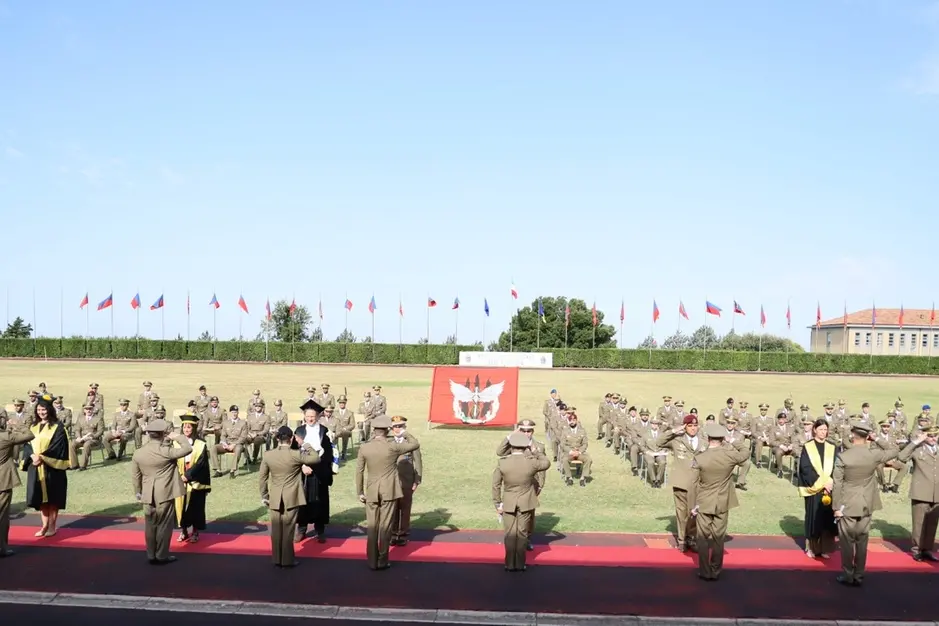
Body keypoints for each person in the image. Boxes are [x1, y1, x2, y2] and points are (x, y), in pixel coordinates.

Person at [831, 420, 899, 586]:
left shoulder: (843, 457)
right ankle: (859, 574)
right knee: (862, 541)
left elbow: (837, 484)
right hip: (867, 502)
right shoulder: (873, 455)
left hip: (847, 503)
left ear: (852, 435)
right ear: (867, 436)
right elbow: (894, 450)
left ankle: (848, 574)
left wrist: (836, 507)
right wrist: (877, 439)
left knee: (847, 542)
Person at [355, 414, 421, 570]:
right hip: (389, 491)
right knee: (385, 527)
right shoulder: (393, 447)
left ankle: (372, 561)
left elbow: (359, 471)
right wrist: (403, 432)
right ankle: (383, 560)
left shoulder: (364, 447)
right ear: (387, 430)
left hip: (372, 491)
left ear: (374, 430)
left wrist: (360, 492)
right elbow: (415, 444)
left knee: (372, 527)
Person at [691, 422, 750, 581]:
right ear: (722, 439)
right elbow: (745, 452)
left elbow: (694, 483)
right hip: (722, 501)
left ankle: (705, 570)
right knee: (718, 537)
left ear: (708, 438)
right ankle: (715, 570)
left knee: (702, 538)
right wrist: (733, 440)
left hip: (704, 502)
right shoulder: (729, 455)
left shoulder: (700, 458)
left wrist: (694, 505)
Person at [131, 419, 192, 565]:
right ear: (162, 434)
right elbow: (187, 449)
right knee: (164, 525)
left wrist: (138, 492)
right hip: (164, 492)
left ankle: (151, 554)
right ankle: (161, 555)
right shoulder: (165, 451)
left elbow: (135, 476)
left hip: (147, 493)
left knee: (150, 525)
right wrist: (178, 437)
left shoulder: (138, 453)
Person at [260, 425, 322, 568]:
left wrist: (264, 495)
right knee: (288, 529)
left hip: (275, 496)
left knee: (276, 529)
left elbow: (262, 478)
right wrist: (304, 443)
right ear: (291, 438)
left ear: (277, 439)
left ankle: (277, 558)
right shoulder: (295, 454)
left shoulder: (268, 455)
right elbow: (315, 458)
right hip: (291, 496)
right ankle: (287, 560)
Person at [492, 431, 551, 572]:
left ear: (511, 446)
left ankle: (509, 564)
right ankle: (520, 564)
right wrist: (536, 451)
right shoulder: (531, 462)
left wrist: (497, 503)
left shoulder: (503, 463)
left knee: (510, 534)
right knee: (522, 534)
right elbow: (546, 463)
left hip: (508, 501)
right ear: (525, 447)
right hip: (526, 502)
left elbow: (496, 485)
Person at [21, 394, 70, 537]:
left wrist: (42, 457)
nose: (41, 412)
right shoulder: (33, 426)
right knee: (40, 498)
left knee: (53, 497)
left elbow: (59, 446)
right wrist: (32, 456)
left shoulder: (58, 427)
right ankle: (44, 526)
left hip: (52, 467)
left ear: (50, 410)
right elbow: (27, 444)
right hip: (35, 466)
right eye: (39, 410)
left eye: (44, 409)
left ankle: (52, 527)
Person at [293, 398, 333, 543]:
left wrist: (319, 466)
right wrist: (302, 466)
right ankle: (302, 529)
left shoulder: (324, 431)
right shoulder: (299, 431)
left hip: (320, 471)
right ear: (304, 416)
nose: (310, 419)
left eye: (313, 416)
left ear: (317, 416)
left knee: (320, 500)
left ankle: (320, 530)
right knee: (302, 501)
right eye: (308, 416)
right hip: (303, 471)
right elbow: (294, 452)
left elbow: (328, 453)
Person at [798, 418, 838, 559]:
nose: (823, 432)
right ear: (814, 430)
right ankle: (811, 548)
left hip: (829, 489)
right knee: (813, 518)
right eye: (821, 429)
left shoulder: (832, 447)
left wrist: (830, 483)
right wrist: (822, 483)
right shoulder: (808, 447)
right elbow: (805, 468)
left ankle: (824, 548)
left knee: (827, 519)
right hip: (814, 489)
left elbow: (836, 467)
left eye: (825, 430)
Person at [898, 426, 939, 561]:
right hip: (921, 492)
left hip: (937, 492)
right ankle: (917, 549)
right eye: (929, 436)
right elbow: (902, 457)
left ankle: (927, 549)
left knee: (932, 523)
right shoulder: (917, 450)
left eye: (935, 435)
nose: (933, 438)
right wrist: (916, 441)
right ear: (924, 436)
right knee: (919, 523)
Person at [0, 413, 35, 557]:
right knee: (2, 515)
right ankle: (2, 548)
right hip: (3, 480)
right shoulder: (5, 437)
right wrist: (17, 424)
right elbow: (29, 435)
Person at [174, 414, 211, 544]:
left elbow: (201, 463)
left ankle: (195, 532)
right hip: (179, 479)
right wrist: (180, 476)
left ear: (194, 428)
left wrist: (188, 475)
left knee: (195, 508)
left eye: (189, 427)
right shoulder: (176, 443)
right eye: (184, 427)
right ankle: (183, 531)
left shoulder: (201, 444)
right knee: (180, 507)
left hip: (195, 480)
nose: (186, 430)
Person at [388, 415, 422, 546]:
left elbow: (418, 461)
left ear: (404, 427)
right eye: (395, 427)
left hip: (407, 480)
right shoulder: (389, 442)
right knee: (393, 508)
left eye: (400, 426)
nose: (397, 429)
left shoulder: (411, 442)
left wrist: (417, 480)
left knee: (405, 508)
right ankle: (393, 534)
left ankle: (403, 534)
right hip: (392, 481)